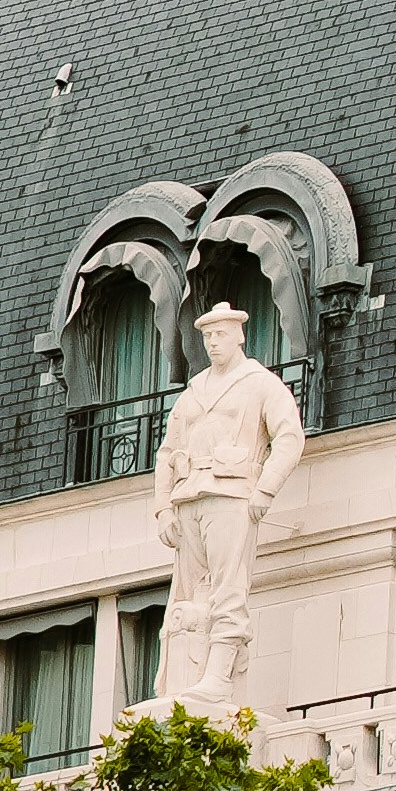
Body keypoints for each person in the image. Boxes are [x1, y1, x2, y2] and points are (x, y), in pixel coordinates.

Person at [152, 300, 308, 711]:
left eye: (220, 334)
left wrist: (265, 490)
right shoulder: (194, 390)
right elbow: (167, 452)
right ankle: (186, 677)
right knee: (188, 596)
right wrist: (162, 507)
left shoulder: (260, 383)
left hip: (232, 495)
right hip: (188, 498)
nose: (212, 342)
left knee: (228, 589)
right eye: (207, 336)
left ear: (238, 336)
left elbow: (290, 437)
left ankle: (219, 677)